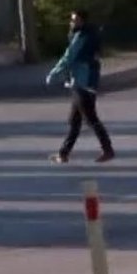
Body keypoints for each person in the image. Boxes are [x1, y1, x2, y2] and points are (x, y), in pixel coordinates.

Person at [45, 9, 115, 164]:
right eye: (71, 19)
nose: (72, 22)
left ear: (82, 21)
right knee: (75, 121)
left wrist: (53, 74)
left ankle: (108, 150)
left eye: (75, 19)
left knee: (90, 118)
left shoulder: (82, 37)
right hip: (82, 82)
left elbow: (68, 58)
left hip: (83, 84)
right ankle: (63, 154)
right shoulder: (87, 35)